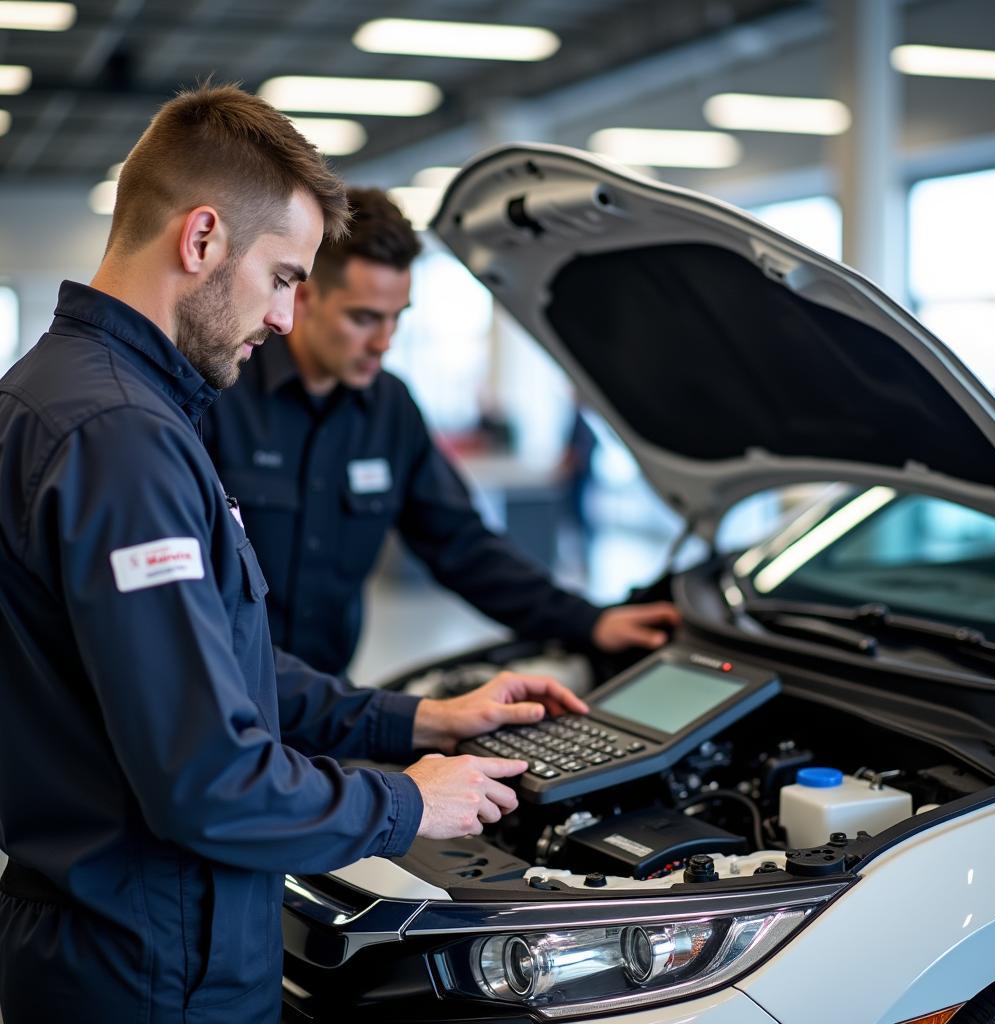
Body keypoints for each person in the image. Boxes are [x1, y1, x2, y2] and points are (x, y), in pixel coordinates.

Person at [0, 84, 588, 1024]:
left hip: (119, 938)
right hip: (156, 965)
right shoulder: (123, 438)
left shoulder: (69, 398)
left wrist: (420, 720)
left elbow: (218, 669)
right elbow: (208, 780)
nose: (283, 316)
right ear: (202, 240)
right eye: (282, 276)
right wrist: (405, 803)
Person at [202, 187, 681, 675]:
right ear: (303, 297)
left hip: (327, 702)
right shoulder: (219, 397)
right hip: (222, 696)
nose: (385, 341)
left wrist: (587, 622)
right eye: (364, 318)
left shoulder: (390, 407)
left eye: (397, 317)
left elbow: (461, 545)